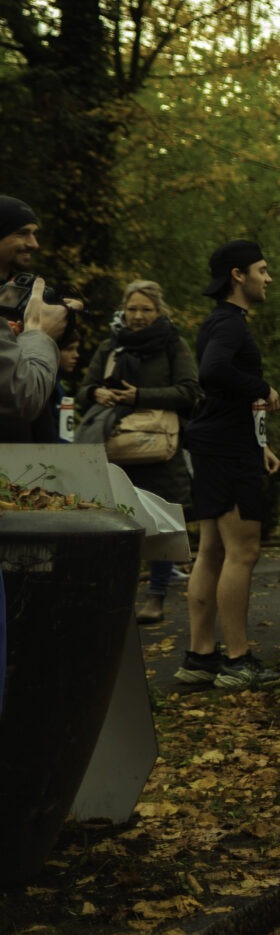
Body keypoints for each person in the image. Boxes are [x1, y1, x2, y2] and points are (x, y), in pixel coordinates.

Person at [174, 240, 280, 690]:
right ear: (238, 275)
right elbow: (214, 372)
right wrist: (262, 387)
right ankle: (238, 660)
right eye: (262, 269)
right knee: (244, 551)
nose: (268, 277)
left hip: (218, 445)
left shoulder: (221, 322)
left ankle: (200, 658)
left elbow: (218, 390)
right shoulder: (230, 325)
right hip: (225, 452)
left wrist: (259, 441)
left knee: (212, 551)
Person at [78, 280, 202, 620]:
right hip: (115, 447)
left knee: (158, 522)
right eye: (132, 308)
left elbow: (189, 392)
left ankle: (156, 595)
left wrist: (139, 396)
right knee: (116, 522)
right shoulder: (110, 346)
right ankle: (117, 597)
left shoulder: (174, 346)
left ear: (159, 312)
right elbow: (84, 388)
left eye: (145, 309)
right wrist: (96, 395)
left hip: (158, 448)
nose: (137, 316)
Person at [0, 197, 70, 439]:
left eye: (34, 234)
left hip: (30, 436)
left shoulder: (26, 294)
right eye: (22, 233)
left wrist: (66, 321)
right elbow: (22, 394)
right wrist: (38, 334)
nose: (34, 244)